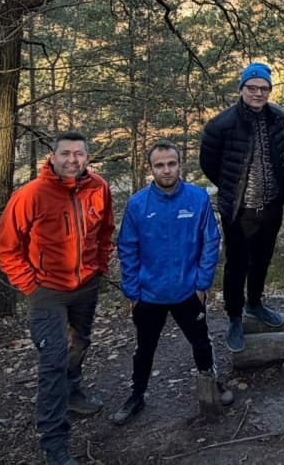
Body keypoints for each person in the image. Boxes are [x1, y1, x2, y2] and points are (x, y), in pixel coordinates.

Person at [0, 132, 114, 465]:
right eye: (65, 154)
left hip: (86, 285)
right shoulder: (31, 195)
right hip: (47, 291)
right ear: (53, 156)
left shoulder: (99, 188)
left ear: (87, 157)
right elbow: (6, 248)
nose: (72, 160)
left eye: (79, 154)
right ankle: (55, 444)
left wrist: (99, 267)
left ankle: (73, 392)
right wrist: (30, 285)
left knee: (81, 342)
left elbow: (105, 231)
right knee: (53, 361)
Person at [111, 141, 233, 426]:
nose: (166, 170)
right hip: (149, 294)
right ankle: (137, 395)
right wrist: (133, 292)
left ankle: (211, 383)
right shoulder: (138, 204)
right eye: (159, 165)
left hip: (188, 291)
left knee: (201, 342)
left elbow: (211, 241)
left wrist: (202, 284)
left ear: (180, 164)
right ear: (151, 168)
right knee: (144, 349)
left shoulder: (197, 198)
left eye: (171, 164)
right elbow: (127, 248)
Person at [200, 62, 284, 353]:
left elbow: (280, 159)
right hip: (240, 209)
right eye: (252, 88)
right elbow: (209, 164)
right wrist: (233, 187)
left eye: (264, 88)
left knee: (262, 259)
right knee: (237, 264)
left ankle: (255, 303)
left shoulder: (278, 118)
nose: (258, 93)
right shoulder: (220, 125)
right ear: (242, 89)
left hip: (272, 204)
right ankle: (235, 317)